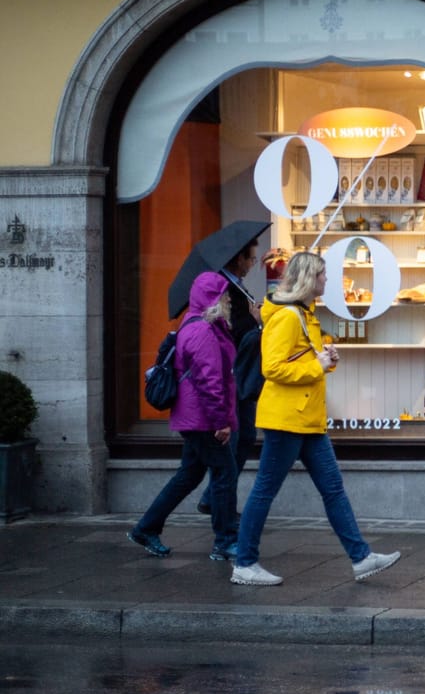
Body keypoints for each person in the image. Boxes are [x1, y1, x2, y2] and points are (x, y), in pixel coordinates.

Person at [229, 251, 400, 586]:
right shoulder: (289, 317)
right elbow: (273, 367)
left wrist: (326, 358)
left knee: (333, 489)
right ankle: (244, 563)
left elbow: (300, 358)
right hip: (286, 419)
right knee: (265, 491)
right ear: (309, 279)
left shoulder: (304, 315)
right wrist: (317, 364)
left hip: (305, 417)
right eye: (322, 275)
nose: (327, 281)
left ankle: (361, 557)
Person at [126, 271, 241, 560]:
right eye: (225, 294)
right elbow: (210, 381)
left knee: (189, 474)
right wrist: (221, 423)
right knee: (225, 473)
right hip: (204, 420)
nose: (229, 298)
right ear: (212, 299)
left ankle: (146, 527)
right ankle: (225, 541)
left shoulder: (200, 326)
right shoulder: (202, 331)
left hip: (195, 418)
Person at [196, 238, 262, 516]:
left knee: (245, 436)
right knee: (235, 440)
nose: (253, 263)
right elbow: (230, 330)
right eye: (251, 258)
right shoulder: (223, 289)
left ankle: (214, 498)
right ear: (239, 259)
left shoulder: (237, 286)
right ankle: (222, 506)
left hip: (241, 375)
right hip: (232, 375)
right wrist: (258, 320)